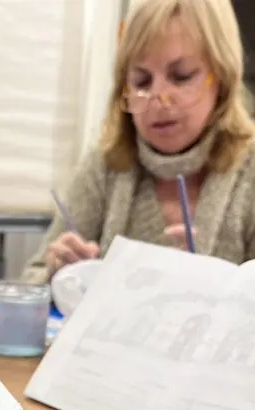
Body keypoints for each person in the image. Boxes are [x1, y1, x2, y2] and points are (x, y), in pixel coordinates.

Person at [22, 0, 255, 283]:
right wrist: (57, 276)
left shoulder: (249, 169)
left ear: (223, 77)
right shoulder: (105, 166)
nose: (158, 99)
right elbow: (30, 281)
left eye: (181, 77)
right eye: (142, 82)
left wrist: (213, 288)